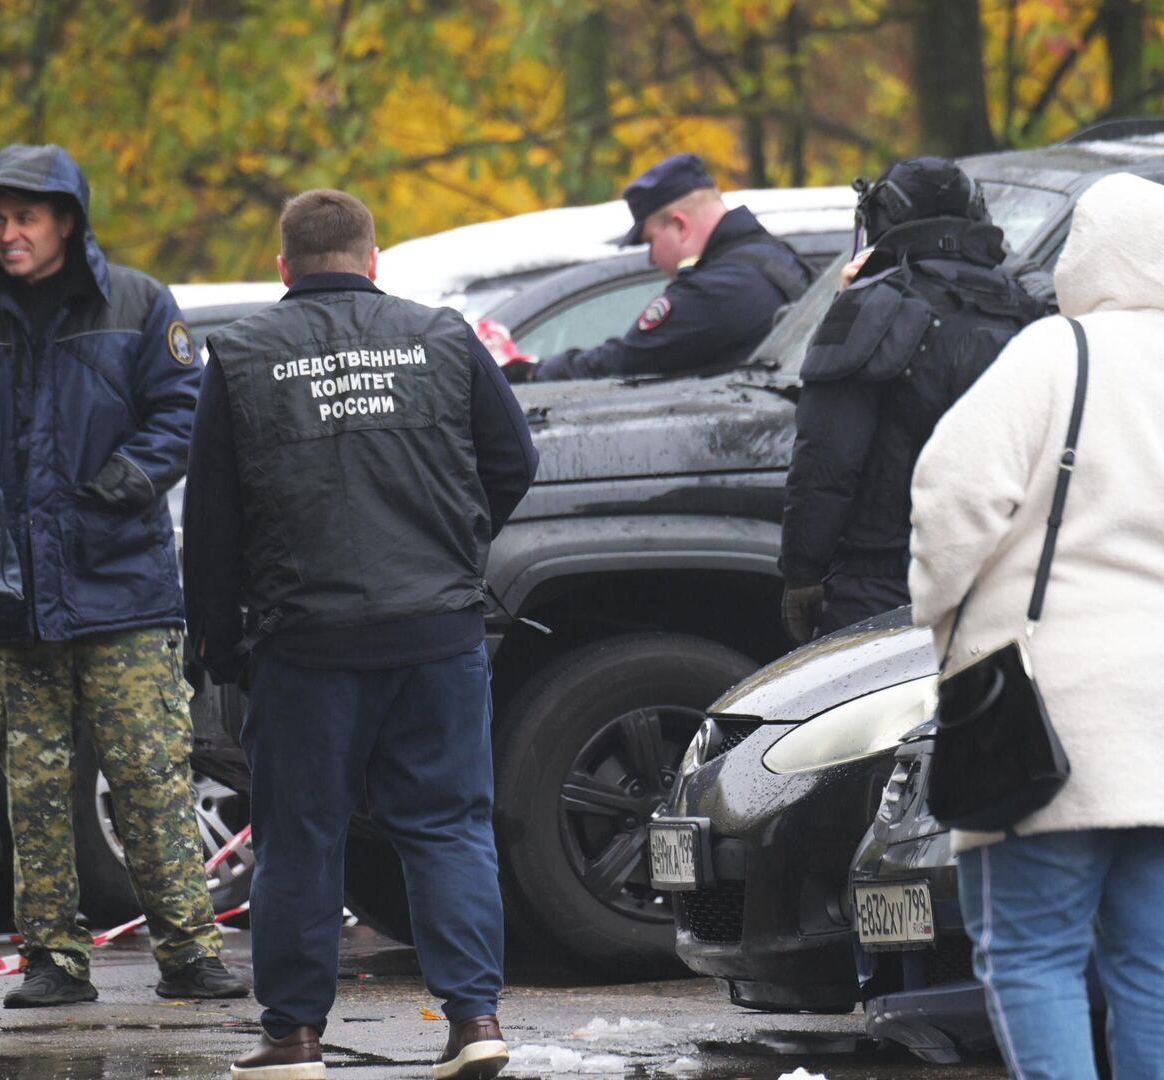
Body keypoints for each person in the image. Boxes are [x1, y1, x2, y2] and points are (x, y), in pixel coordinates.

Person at [906, 172, 1164, 1077]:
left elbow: (953, 496)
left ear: (1096, 255)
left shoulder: (1055, 353)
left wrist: (944, 614)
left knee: (1031, 949)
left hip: (1055, 703)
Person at [184, 189, 537, 1080]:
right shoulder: (445, 337)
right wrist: (454, 545)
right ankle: (475, 1022)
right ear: (374, 261)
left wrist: (217, 648)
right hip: (436, 634)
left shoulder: (243, 354)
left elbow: (214, 523)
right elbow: (514, 461)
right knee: (450, 826)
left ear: (283, 268)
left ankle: (296, 1037)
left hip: (306, 644)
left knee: (302, 837)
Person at [0, 143, 246, 1008]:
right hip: (8, 595)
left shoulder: (137, 303)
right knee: (34, 785)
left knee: (148, 772)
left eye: (24, 216)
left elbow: (184, 410)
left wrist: (115, 491)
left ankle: (190, 952)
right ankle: (53, 959)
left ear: (67, 220)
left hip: (121, 587)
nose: (7, 232)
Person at [778, 157, 1041, 642]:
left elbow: (826, 460)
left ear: (883, 217)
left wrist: (802, 571)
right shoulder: (1026, 306)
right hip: (1004, 571)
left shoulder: (869, 305)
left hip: (885, 580)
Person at [493, 153, 811, 382]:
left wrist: (533, 372)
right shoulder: (776, 259)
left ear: (679, 226)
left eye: (650, 241)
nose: (651, 258)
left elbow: (626, 362)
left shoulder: (716, 289)